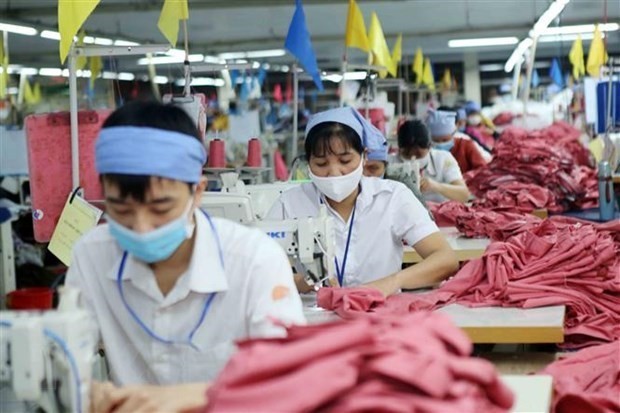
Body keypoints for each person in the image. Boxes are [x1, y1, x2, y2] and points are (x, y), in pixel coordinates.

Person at [65, 102, 305, 411]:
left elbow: (290, 381)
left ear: (198, 192)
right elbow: (65, 357)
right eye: (121, 209)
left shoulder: (253, 261)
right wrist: (84, 390)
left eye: (161, 208)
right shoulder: (92, 256)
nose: (141, 227)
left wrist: (197, 397)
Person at [267, 107, 458, 297]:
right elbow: (255, 269)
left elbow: (445, 259)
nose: (334, 172)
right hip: (311, 318)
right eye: (321, 164)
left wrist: (391, 282)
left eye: (345, 160)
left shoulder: (392, 197)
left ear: (364, 156)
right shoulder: (289, 204)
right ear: (307, 163)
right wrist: (300, 282)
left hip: (380, 315)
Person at [394, 119, 470, 203]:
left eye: (418, 155)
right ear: (399, 149)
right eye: (407, 154)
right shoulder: (390, 162)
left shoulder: (443, 159)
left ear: (429, 147)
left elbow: (464, 194)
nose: (413, 157)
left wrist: (436, 186)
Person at [362, 130, 429, 211]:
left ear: (386, 166)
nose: (365, 175)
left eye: (373, 168)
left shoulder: (400, 180)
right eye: (360, 168)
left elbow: (423, 215)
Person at [427, 109, 487, 174]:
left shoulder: (465, 146)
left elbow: (482, 169)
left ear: (453, 134)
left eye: (445, 140)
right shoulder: (426, 151)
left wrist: (464, 178)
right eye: (436, 141)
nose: (441, 143)